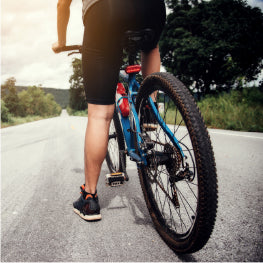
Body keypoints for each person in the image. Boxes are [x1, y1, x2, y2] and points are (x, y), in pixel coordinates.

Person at [52, 0, 166, 221]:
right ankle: (150, 109)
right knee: (150, 46)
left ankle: (89, 198)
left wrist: (61, 42)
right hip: (152, 8)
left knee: (100, 114)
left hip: (106, 11)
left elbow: (62, 4)